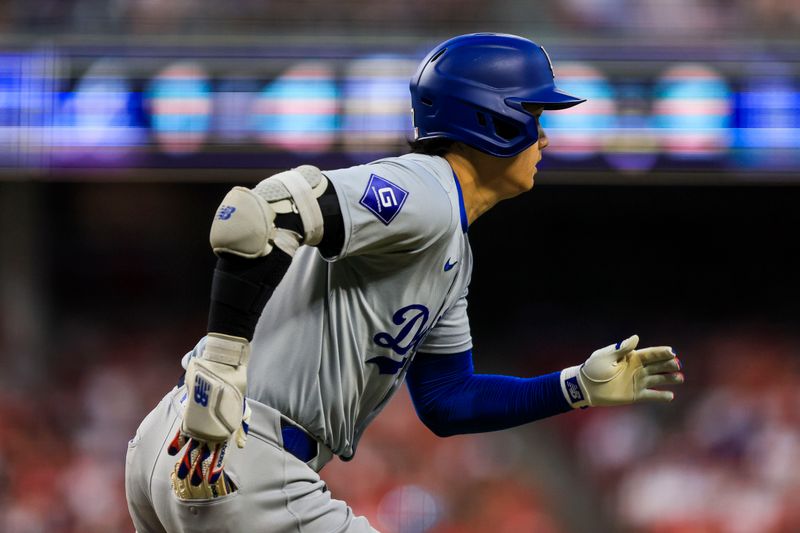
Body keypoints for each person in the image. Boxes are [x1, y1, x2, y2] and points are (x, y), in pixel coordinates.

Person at [125, 33, 684, 533]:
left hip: (178, 444)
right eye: (536, 115)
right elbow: (252, 216)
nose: (545, 138)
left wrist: (573, 387)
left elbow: (447, 401)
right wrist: (220, 364)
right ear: (495, 120)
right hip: (242, 451)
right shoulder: (425, 191)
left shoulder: (451, 245)